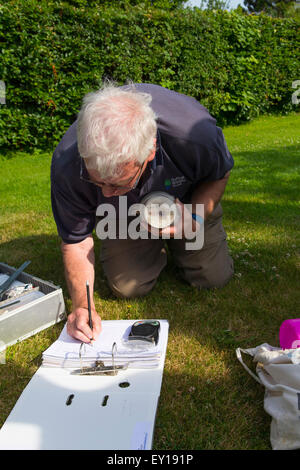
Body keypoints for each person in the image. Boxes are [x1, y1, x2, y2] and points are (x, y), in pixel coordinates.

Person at [51, 82, 234, 343]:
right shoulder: (67, 163)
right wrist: (83, 305)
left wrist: (196, 218)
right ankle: (151, 242)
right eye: (96, 181)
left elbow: (220, 174)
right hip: (124, 215)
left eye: (116, 183)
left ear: (150, 151)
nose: (104, 195)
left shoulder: (196, 135)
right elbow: (76, 243)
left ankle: (179, 240)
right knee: (128, 286)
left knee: (212, 277)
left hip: (187, 200)